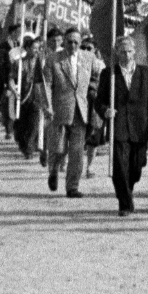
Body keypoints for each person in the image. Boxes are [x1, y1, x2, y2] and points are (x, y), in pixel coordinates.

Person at [108, 35, 148, 215]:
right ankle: (125, 204)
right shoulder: (110, 74)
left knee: (136, 167)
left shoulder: (145, 73)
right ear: (116, 53)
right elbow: (100, 100)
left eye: (130, 51)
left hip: (141, 127)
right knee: (120, 167)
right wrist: (106, 110)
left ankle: (128, 189)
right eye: (123, 52)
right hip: (119, 126)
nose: (127, 55)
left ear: (135, 52)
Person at [43, 29, 92, 198]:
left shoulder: (88, 58)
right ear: (64, 41)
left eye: (76, 42)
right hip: (59, 111)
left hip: (80, 112)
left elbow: (102, 74)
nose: (73, 45)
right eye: (69, 41)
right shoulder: (53, 60)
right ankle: (54, 171)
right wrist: (47, 105)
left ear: (80, 43)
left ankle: (72, 186)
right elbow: (47, 85)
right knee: (57, 149)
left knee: (77, 152)